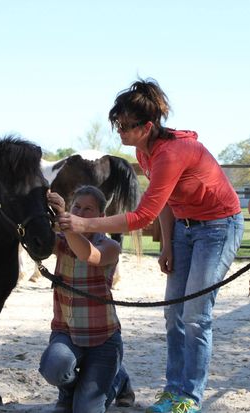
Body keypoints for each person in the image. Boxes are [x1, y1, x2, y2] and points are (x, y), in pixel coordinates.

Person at [57, 79, 244, 413]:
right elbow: (167, 201)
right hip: (185, 230)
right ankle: (173, 391)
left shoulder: (173, 153)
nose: (120, 133)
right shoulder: (145, 153)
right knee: (174, 312)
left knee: (196, 314)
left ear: (147, 126)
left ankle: (189, 397)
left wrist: (85, 224)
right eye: (117, 126)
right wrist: (168, 245)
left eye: (126, 127)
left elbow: (143, 215)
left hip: (217, 227)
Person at [39, 185, 135, 413]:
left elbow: (87, 254)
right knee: (53, 368)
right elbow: (37, 243)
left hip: (104, 339)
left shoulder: (110, 246)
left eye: (88, 209)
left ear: (101, 217)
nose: (80, 212)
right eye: (77, 207)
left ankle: (118, 381)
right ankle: (69, 392)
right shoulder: (60, 241)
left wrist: (65, 218)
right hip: (67, 333)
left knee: (87, 410)